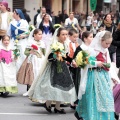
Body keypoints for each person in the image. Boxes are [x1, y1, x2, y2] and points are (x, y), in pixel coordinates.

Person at [28, 27, 77, 114]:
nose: (65, 36)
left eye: (66, 34)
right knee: (52, 87)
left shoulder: (65, 44)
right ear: (58, 36)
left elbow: (65, 55)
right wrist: (55, 55)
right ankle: (48, 103)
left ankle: (57, 107)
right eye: (63, 34)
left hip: (62, 67)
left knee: (62, 87)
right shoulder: (55, 44)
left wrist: (72, 61)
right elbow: (49, 57)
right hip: (53, 67)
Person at [75, 31, 119, 120]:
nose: (108, 45)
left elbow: (108, 63)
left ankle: (104, 117)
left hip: (104, 76)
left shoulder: (105, 50)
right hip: (94, 75)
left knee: (105, 97)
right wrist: (96, 63)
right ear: (101, 40)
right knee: (93, 96)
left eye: (109, 43)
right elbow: (87, 62)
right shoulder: (93, 49)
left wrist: (113, 77)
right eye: (106, 43)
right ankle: (91, 115)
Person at [17, 29, 45, 93]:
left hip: (40, 59)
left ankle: (38, 88)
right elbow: (25, 52)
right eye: (39, 34)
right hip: (32, 60)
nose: (41, 35)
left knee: (40, 72)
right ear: (34, 35)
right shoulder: (30, 42)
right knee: (31, 73)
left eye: (41, 34)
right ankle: (30, 87)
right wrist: (30, 51)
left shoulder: (42, 43)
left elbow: (44, 52)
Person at [71, 31, 93, 110]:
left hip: (89, 70)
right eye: (90, 37)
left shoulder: (92, 48)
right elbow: (74, 58)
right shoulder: (80, 48)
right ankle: (76, 101)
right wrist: (75, 62)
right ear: (85, 39)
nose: (92, 38)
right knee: (79, 84)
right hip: (80, 70)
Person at [67, 28, 79, 109]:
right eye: (74, 37)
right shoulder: (68, 44)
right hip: (69, 65)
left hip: (76, 66)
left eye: (77, 37)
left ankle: (74, 102)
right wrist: (71, 62)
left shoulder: (77, 44)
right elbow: (68, 55)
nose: (76, 38)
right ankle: (71, 101)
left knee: (75, 83)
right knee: (70, 83)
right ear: (70, 36)